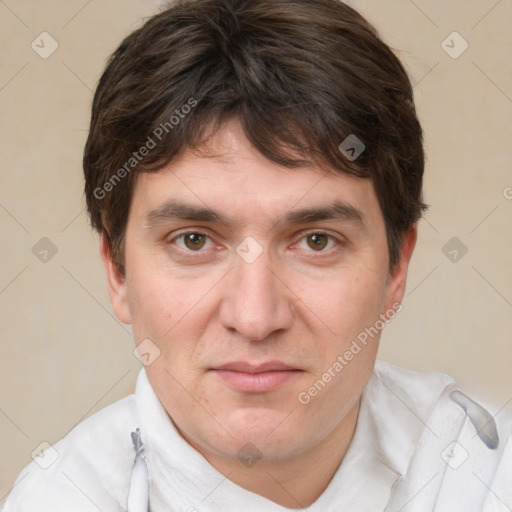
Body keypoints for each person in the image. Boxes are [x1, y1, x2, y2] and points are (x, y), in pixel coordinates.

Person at [4, 0, 511, 510]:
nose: (255, 318)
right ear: (117, 271)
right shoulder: (57, 498)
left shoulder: (489, 475)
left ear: (396, 268)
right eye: (194, 240)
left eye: (316, 241)